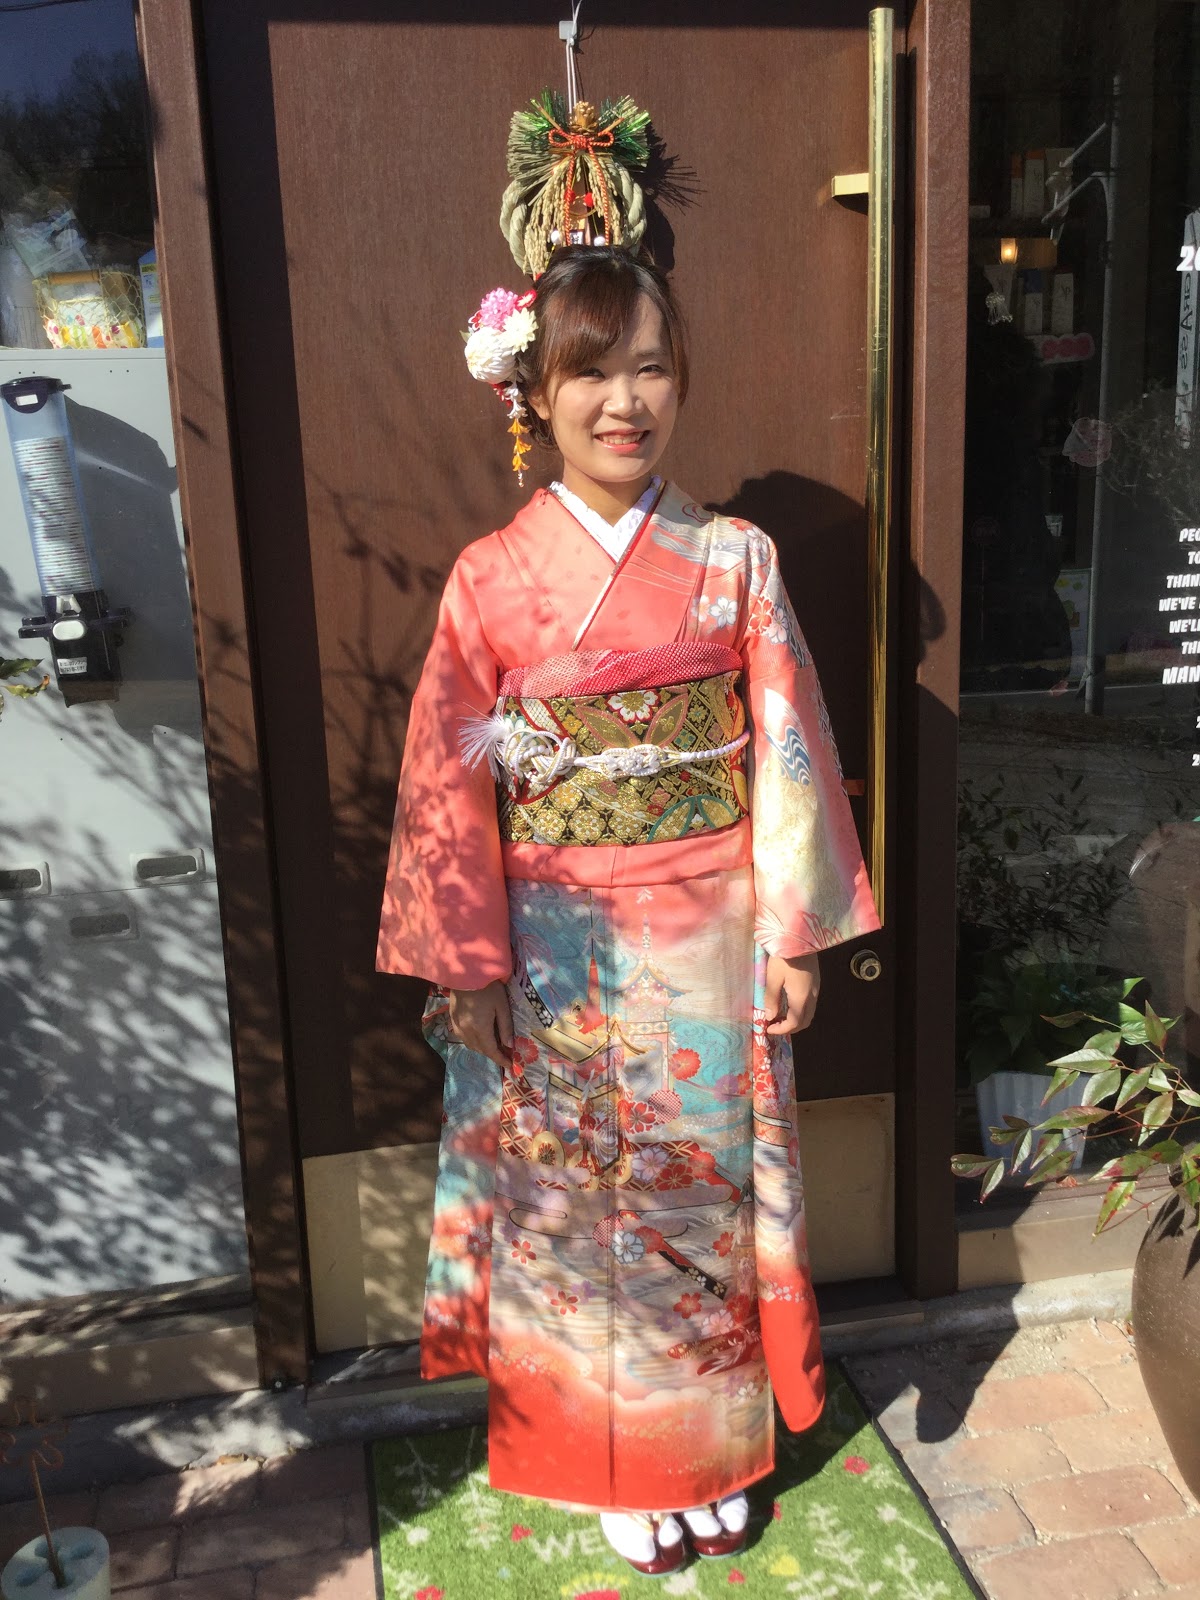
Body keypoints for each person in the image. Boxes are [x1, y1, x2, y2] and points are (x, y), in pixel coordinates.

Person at [377, 244, 880, 1575]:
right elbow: (444, 783)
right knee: (568, 1210)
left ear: (681, 381)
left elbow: (787, 744)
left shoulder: (736, 559)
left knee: (700, 1196)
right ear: (535, 394)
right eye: (590, 372)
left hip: (706, 928)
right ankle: (609, 1463)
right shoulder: (492, 575)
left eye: (650, 368)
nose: (624, 400)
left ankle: (709, 1453)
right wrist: (468, 963)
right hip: (547, 951)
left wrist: (793, 931)